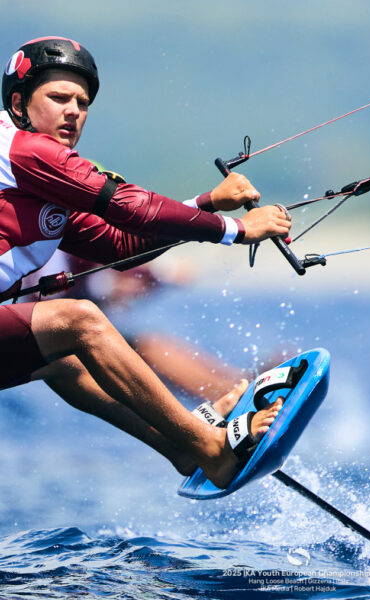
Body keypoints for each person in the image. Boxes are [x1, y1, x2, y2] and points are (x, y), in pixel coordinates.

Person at [0, 37, 292, 488]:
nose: (73, 111)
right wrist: (236, 229)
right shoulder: (23, 150)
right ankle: (209, 447)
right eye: (58, 98)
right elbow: (130, 206)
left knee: (67, 362)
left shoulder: (39, 181)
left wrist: (206, 204)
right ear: (19, 103)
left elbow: (119, 245)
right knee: (79, 321)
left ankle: (183, 447)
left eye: (82, 103)